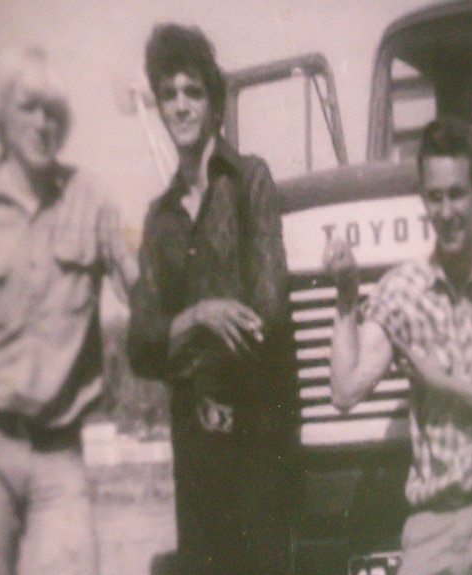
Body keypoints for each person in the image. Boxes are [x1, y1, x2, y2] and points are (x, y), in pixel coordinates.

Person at [323, 117, 472, 575]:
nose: (447, 212)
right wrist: (346, 298)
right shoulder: (403, 289)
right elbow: (344, 391)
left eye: (458, 194)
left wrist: (443, 382)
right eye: (435, 196)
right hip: (429, 524)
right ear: (423, 199)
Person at [127, 23, 297, 575]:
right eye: (168, 94)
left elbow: (266, 310)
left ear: (214, 102)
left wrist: (180, 336)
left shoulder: (250, 181)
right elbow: (139, 344)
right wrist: (201, 315)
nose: (180, 106)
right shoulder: (159, 217)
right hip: (195, 454)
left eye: (193, 91)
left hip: (258, 441)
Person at [0, 46, 138, 575]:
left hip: (59, 455)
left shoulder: (93, 200)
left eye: (53, 113)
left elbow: (146, 299)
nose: (43, 124)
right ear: (0, 116)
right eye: (29, 109)